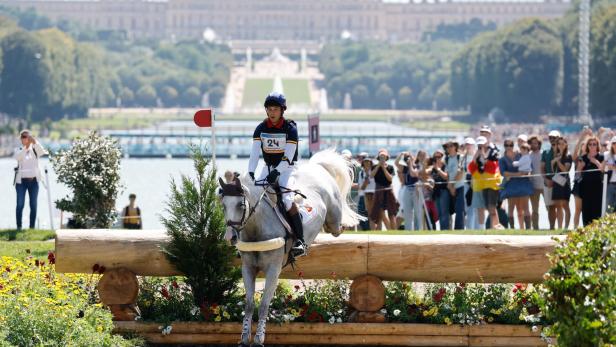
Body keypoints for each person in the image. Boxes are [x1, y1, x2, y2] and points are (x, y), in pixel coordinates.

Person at [248, 92, 306, 256]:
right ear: (266, 110)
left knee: (287, 200)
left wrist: (277, 172)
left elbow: (288, 156)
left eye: (276, 109)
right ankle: (245, 237)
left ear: (282, 110)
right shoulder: (260, 128)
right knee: (254, 194)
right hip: (268, 166)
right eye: (270, 109)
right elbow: (254, 154)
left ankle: (301, 241)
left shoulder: (290, 129)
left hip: (287, 168)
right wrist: (251, 171)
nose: (272, 112)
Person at [13, 129, 47, 230]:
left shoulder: (35, 149)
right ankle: (19, 227)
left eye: (27, 136)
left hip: (34, 181)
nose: (26, 138)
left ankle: (31, 228)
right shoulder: (18, 149)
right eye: (23, 137)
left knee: (33, 205)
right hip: (21, 182)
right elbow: (18, 157)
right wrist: (26, 147)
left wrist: (35, 142)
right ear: (21, 139)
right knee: (20, 204)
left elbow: (42, 152)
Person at [468, 135, 504, 229]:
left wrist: (484, 155)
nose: (480, 146)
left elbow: (492, 167)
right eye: (479, 144)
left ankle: (495, 226)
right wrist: (476, 155)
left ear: (486, 143)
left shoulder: (493, 152)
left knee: (492, 207)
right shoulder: (478, 154)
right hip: (483, 185)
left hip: (492, 184)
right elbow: (471, 167)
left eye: (482, 144)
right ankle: (495, 226)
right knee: (488, 207)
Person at [499, 139, 532, 229]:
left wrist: (526, 173)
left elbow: (529, 166)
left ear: (513, 146)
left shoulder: (521, 155)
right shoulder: (502, 160)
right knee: (511, 209)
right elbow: (503, 173)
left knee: (526, 208)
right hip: (511, 186)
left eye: (511, 145)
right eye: (506, 145)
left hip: (523, 184)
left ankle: (528, 229)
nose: (509, 147)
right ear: (504, 146)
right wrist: (517, 174)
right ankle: (512, 229)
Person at [576, 136, 605, 226]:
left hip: (598, 188)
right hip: (585, 188)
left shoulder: (601, 157)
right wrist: (580, 168)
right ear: (587, 146)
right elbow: (577, 175)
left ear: (597, 145)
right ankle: (586, 231)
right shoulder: (582, 158)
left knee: (597, 211)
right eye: (590, 144)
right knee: (586, 211)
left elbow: (604, 170)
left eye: (594, 144)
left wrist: (596, 162)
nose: (592, 146)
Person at [370, 149, 399, 230]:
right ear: (378, 157)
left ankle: (394, 232)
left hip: (389, 191)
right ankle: (382, 230)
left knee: (392, 214)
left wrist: (383, 168)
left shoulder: (390, 167)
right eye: (381, 156)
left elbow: (390, 179)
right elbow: (371, 176)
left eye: (384, 156)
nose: (382, 158)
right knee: (379, 213)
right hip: (378, 191)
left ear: (387, 157)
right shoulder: (374, 167)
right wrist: (379, 166)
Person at [395, 151, 422, 230]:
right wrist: (401, 154)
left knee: (417, 212)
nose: (407, 159)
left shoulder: (417, 166)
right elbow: (396, 163)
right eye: (406, 158)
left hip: (416, 190)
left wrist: (411, 162)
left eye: (409, 157)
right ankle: (408, 230)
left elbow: (413, 174)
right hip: (407, 189)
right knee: (407, 212)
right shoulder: (405, 168)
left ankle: (418, 231)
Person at [551, 137, 572, 229]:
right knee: (557, 205)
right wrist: (553, 162)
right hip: (557, 181)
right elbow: (553, 171)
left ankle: (566, 227)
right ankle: (559, 227)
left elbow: (565, 170)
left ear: (566, 144)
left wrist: (557, 161)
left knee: (565, 205)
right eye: (559, 143)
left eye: (563, 143)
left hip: (565, 182)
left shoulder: (568, 156)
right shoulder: (556, 155)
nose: (561, 145)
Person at [444, 140, 465, 229]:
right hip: (451, 188)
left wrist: (452, 186)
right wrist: (450, 186)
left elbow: (460, 173)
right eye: (447, 146)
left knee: (460, 210)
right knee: (451, 210)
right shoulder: (447, 159)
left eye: (451, 146)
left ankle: (458, 230)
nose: (449, 148)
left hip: (460, 187)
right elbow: (448, 174)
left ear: (456, 147)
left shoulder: (461, 157)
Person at [541, 130, 560, 230]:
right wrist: (546, 179)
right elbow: (542, 168)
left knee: (561, 206)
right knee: (551, 207)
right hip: (548, 182)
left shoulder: (563, 151)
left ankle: (562, 227)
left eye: (554, 137)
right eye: (550, 138)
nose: (552, 140)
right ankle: (552, 228)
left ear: (559, 138)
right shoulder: (545, 152)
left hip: (561, 182)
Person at [430, 149, 449, 230]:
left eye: (439, 156)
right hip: (435, 192)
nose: (437, 159)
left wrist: (438, 169)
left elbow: (446, 176)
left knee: (444, 212)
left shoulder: (445, 165)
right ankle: (441, 230)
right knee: (438, 213)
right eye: (435, 157)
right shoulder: (432, 168)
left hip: (444, 190)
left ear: (442, 157)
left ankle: (445, 230)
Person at [461, 137, 478, 229]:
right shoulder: (463, 157)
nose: (468, 146)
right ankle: (469, 229)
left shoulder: (477, 155)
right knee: (468, 206)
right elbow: (461, 170)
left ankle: (476, 229)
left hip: (476, 182)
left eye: (470, 144)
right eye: (466, 144)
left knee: (476, 206)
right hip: (466, 182)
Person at [528, 135, 544, 229]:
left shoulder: (543, 154)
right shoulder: (528, 155)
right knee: (534, 210)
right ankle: (535, 228)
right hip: (533, 186)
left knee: (549, 207)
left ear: (539, 144)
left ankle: (553, 227)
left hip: (545, 185)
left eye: (536, 143)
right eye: (532, 143)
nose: (534, 145)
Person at [358, 155, 375, 230]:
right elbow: (362, 187)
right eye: (365, 162)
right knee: (366, 215)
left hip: (374, 195)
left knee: (375, 215)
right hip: (365, 195)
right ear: (363, 163)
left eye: (368, 162)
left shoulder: (374, 172)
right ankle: (370, 231)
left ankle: (374, 231)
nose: (367, 163)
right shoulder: (361, 173)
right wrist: (367, 177)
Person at [605, 136, 616, 213]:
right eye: (614, 143)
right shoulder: (606, 155)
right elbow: (603, 167)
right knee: (609, 209)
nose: (615, 145)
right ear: (611, 144)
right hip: (609, 184)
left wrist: (611, 167)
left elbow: (610, 167)